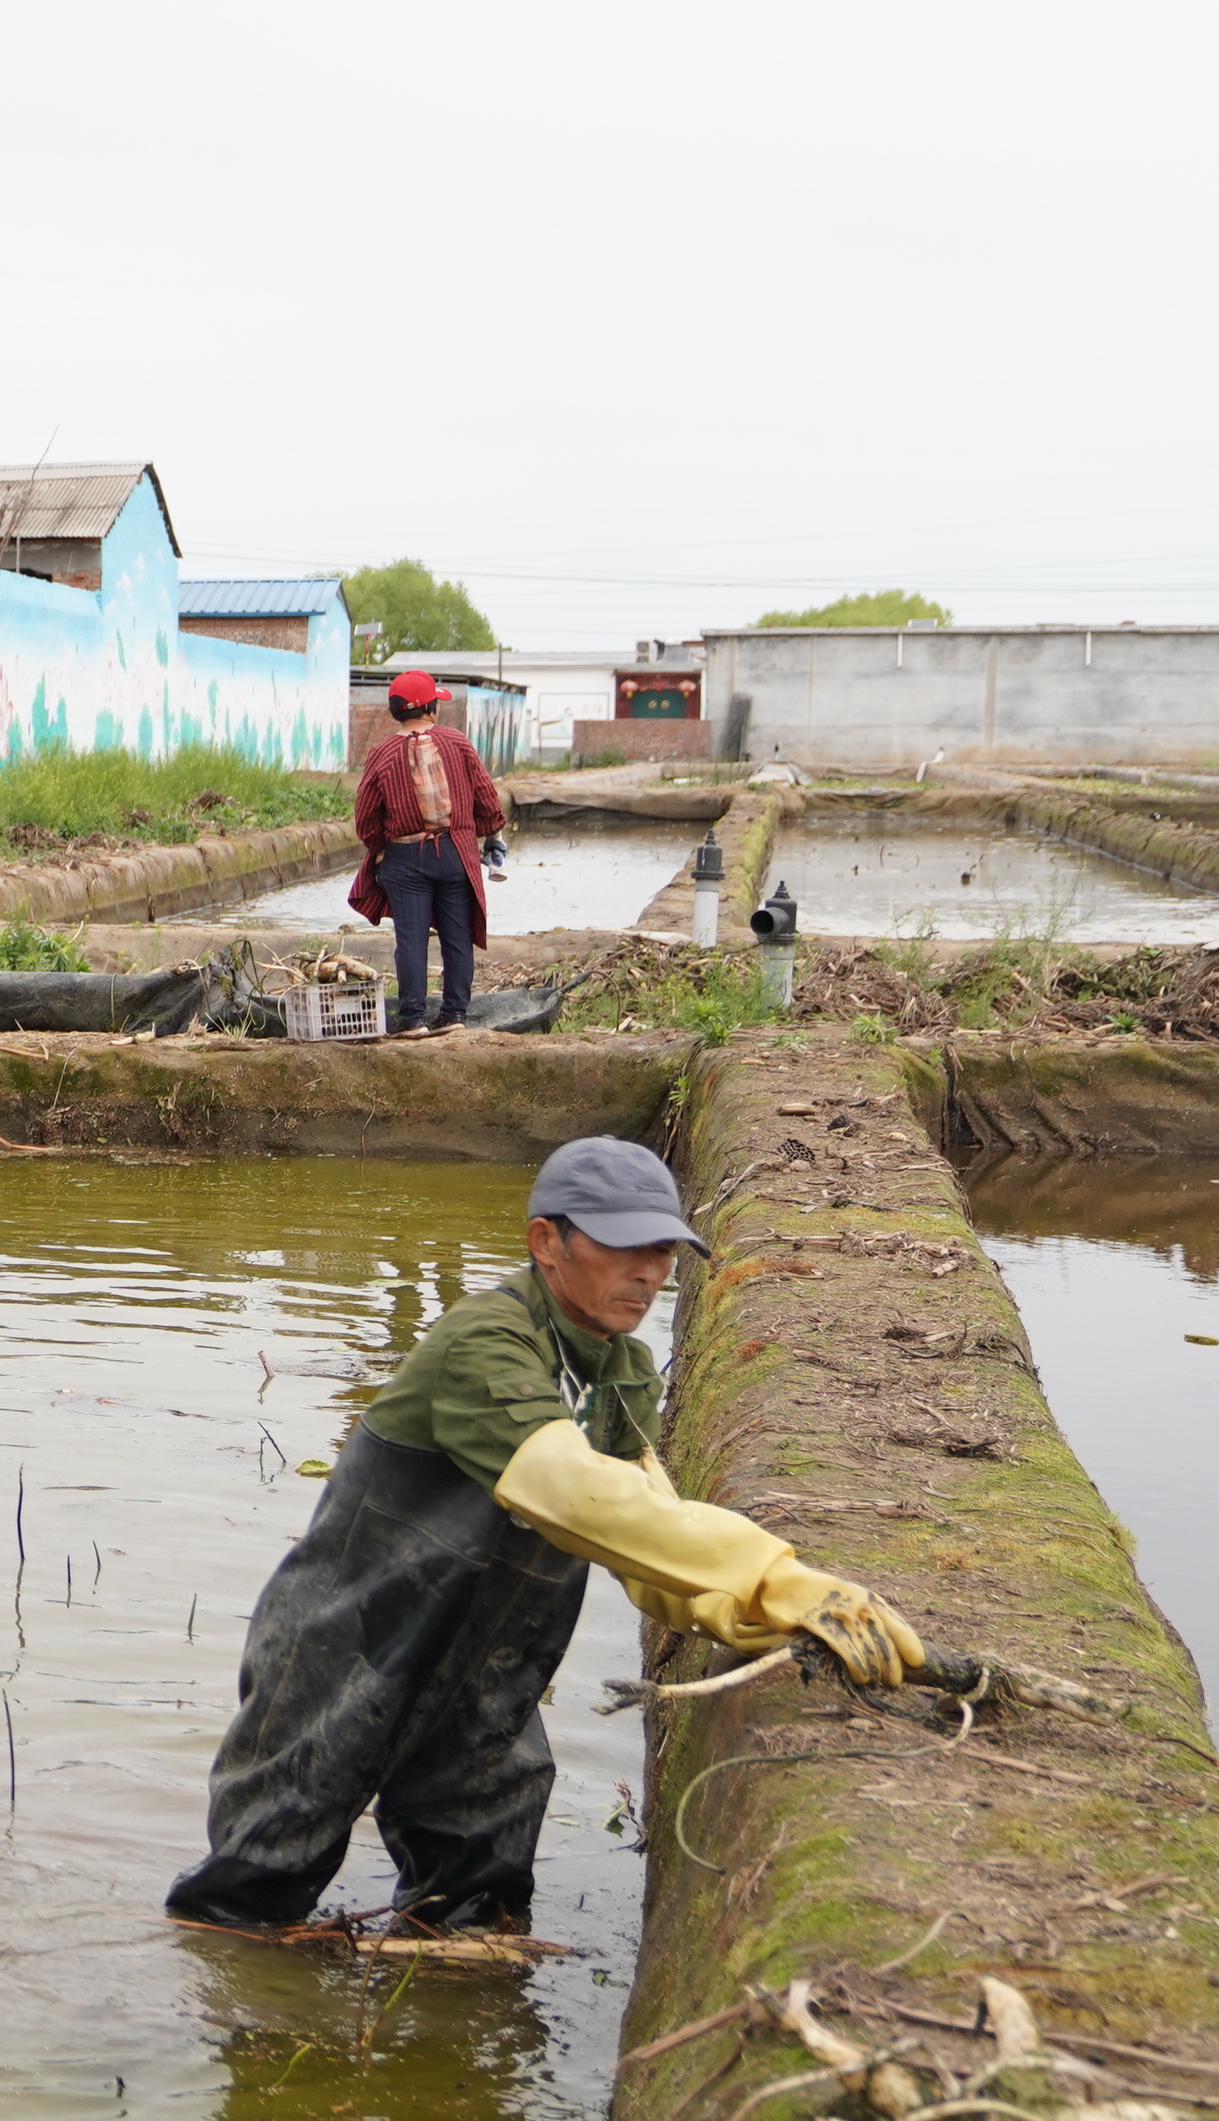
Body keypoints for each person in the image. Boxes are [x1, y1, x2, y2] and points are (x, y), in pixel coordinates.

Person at [168, 1137, 921, 1935]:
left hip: (491, 1659)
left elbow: (644, 1522)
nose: (651, 1272)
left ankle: (451, 2031)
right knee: (249, 1895)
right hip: (358, 1641)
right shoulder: (485, 1343)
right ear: (546, 1243)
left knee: (479, 1901)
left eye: (664, 1250)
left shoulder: (619, 1366)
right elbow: (574, 1491)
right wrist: (772, 1573)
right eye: (625, 1247)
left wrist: (765, 1614)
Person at [346, 671, 508, 1033]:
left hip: (404, 859)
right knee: (457, 934)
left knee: (411, 938)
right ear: (431, 708)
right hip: (455, 854)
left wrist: (379, 849)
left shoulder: (382, 753)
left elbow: (366, 816)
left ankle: (413, 1019)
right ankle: (454, 1015)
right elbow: (488, 800)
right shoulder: (457, 742)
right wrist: (486, 832)